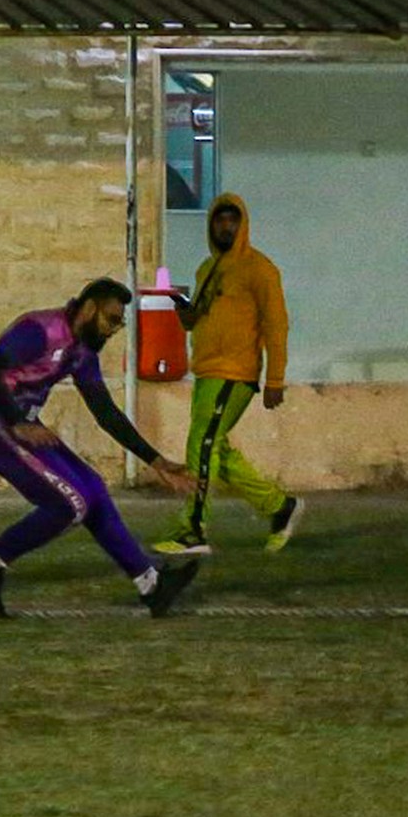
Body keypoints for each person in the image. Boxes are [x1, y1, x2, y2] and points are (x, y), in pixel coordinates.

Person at [0, 277, 200, 619]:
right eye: (111, 319)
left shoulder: (82, 352)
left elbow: (104, 411)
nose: (113, 330)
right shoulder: (40, 330)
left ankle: (151, 584)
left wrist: (156, 461)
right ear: (89, 308)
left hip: (23, 427)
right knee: (72, 504)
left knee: (94, 491)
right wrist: (17, 421)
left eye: (119, 323)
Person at [153, 193, 303, 557]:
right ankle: (279, 507)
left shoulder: (259, 268)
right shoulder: (208, 268)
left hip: (235, 372)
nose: (225, 227)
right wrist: (185, 312)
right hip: (207, 370)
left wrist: (276, 379)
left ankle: (193, 529)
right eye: (219, 220)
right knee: (215, 447)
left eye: (232, 220)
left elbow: (276, 325)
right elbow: (198, 320)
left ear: (243, 224)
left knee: (201, 445)